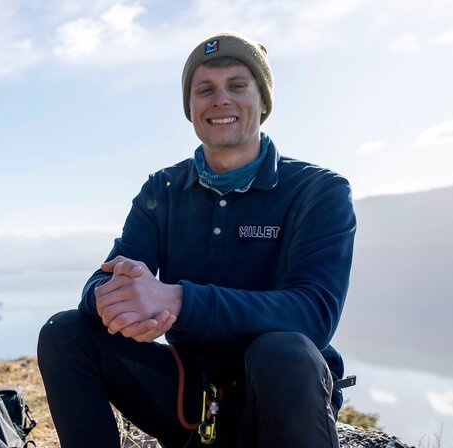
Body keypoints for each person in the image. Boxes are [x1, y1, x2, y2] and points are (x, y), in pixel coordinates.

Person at [37, 31, 356, 448]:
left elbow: (313, 314)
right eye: (204, 89)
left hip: (283, 399)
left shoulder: (318, 190)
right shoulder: (163, 189)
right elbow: (101, 279)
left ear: (263, 101)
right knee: (65, 331)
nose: (220, 99)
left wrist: (177, 299)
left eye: (237, 86)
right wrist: (115, 296)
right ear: (190, 108)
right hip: (191, 397)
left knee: (282, 351)